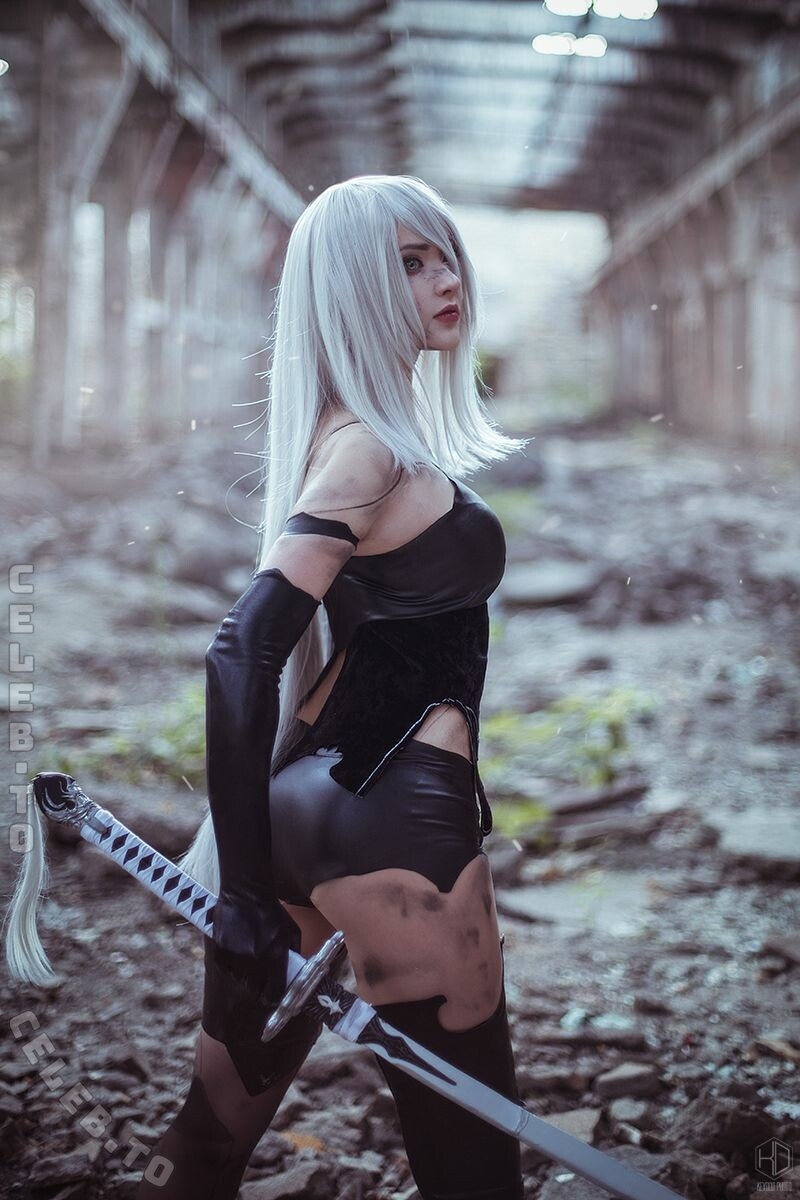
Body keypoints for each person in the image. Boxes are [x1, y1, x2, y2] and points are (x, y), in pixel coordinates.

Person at [135, 174, 530, 1199]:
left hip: (301, 811)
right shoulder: (372, 454)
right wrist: (234, 900)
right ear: (351, 286)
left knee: (207, 1142)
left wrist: (249, 880)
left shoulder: (351, 437)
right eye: (410, 263)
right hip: (398, 822)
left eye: (445, 256)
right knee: (474, 1173)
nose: (447, 280)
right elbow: (240, 651)